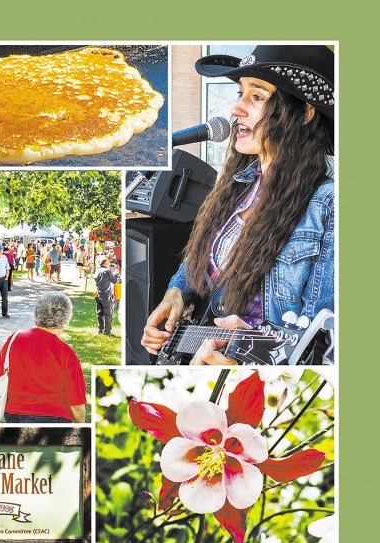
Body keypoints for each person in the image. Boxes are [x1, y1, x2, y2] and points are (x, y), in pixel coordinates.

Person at [141, 45, 335, 365]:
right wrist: (176, 293)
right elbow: (202, 262)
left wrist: (250, 366)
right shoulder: (235, 185)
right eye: (239, 92)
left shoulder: (330, 206)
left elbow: (326, 346)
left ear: (304, 113)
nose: (236, 109)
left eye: (256, 96)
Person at [0, 292, 86, 423]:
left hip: (16, 416)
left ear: (37, 313)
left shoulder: (15, 339)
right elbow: (76, 404)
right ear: (66, 320)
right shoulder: (67, 353)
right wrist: (81, 427)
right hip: (55, 419)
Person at [94, 256, 120, 336]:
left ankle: (100, 329)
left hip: (98, 294)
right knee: (107, 314)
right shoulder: (107, 271)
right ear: (105, 263)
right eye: (108, 263)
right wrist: (116, 273)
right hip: (105, 295)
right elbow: (115, 281)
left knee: (99, 313)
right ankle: (107, 331)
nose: (109, 264)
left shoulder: (97, 271)